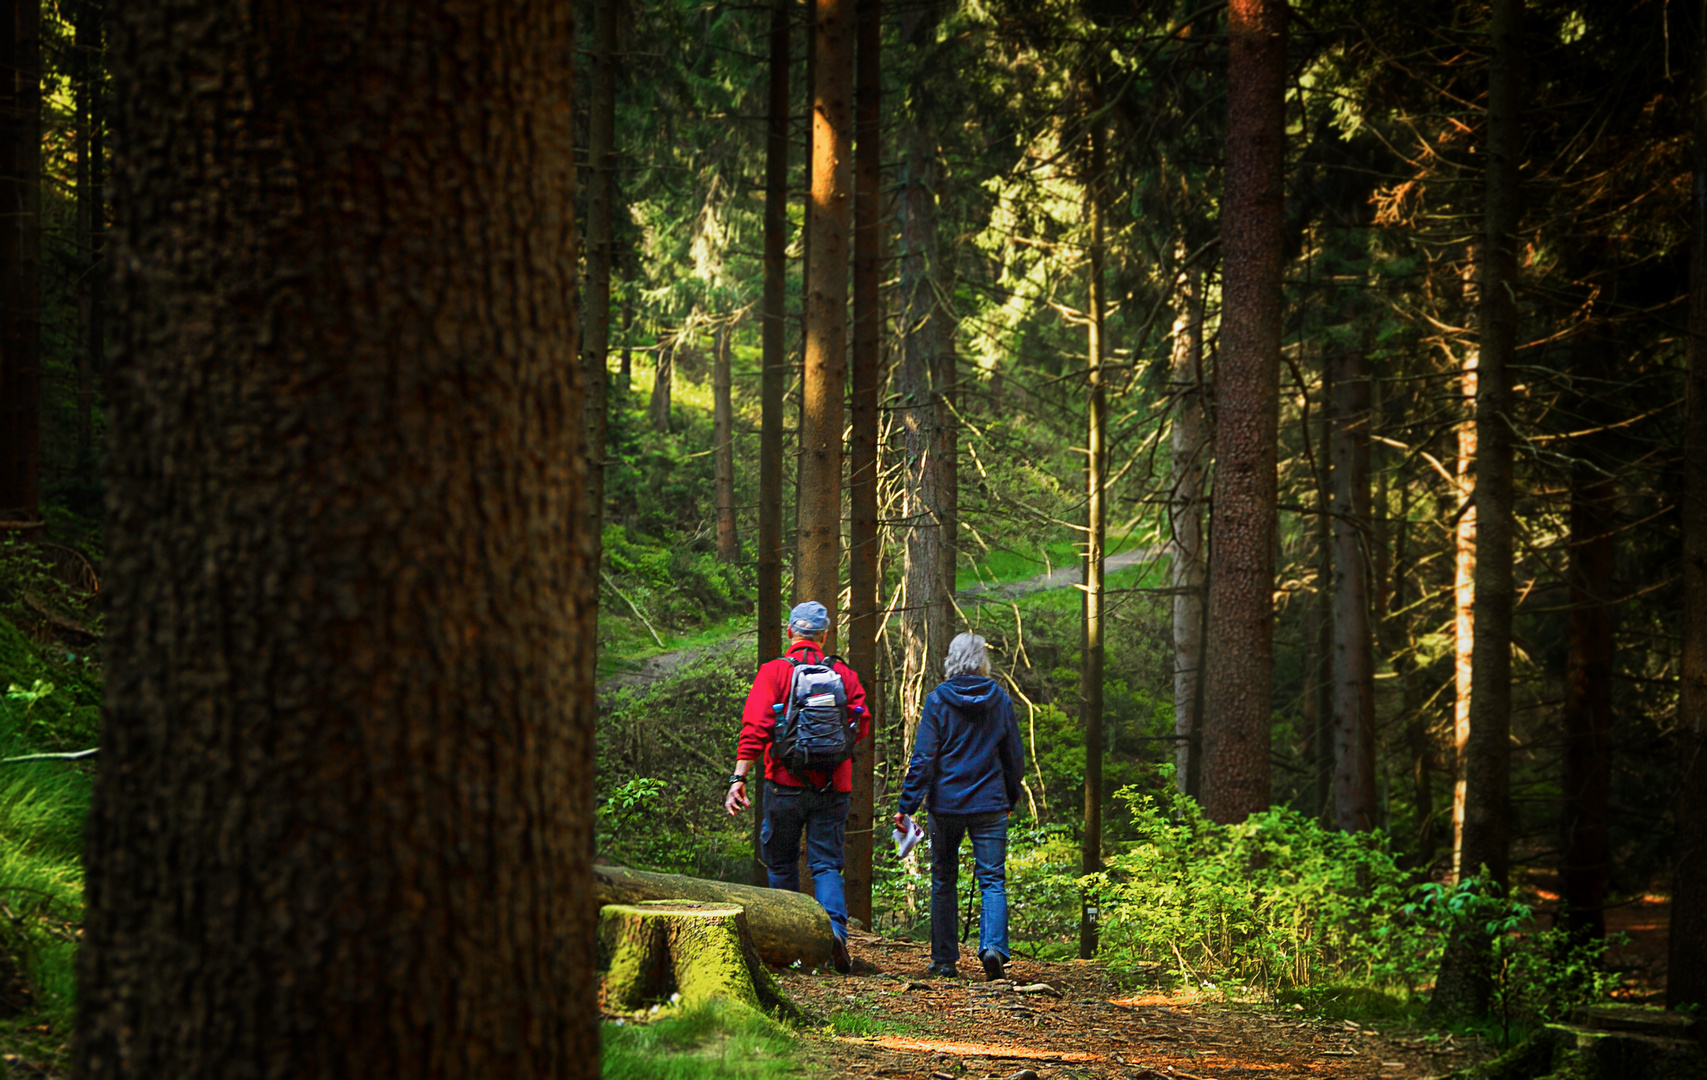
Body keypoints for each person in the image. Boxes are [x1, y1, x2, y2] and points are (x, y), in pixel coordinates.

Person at [724, 600, 868, 974]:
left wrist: (739, 777)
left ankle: (786, 941)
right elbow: (861, 724)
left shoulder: (774, 671)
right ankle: (835, 933)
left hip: (783, 785)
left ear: (791, 632)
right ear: (824, 634)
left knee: (782, 861)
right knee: (826, 864)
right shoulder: (844, 674)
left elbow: (755, 729)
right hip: (833, 787)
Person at [896, 632, 1026, 981]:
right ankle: (994, 949)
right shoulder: (999, 699)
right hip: (990, 805)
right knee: (992, 880)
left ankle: (943, 960)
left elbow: (923, 759)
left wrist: (907, 805)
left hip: (946, 806)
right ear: (983, 661)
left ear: (951, 661)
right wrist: (1010, 799)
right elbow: (1014, 757)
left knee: (943, 879)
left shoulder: (938, 700)